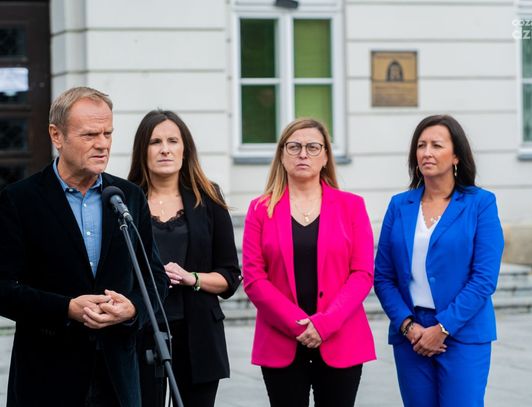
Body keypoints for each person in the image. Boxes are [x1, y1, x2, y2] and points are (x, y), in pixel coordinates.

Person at [0, 86, 168, 406]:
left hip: (118, 378)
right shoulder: (19, 200)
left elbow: (154, 279)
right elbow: (4, 288)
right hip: (47, 378)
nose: (102, 144)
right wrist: (66, 308)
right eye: (90, 134)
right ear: (57, 135)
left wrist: (133, 309)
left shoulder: (128, 197)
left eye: (108, 133)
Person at [242, 118, 376, 407]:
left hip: (341, 338)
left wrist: (325, 324)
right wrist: (299, 326)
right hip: (281, 341)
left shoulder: (352, 206)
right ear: (282, 155)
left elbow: (362, 273)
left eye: (313, 147)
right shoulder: (260, 209)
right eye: (294, 147)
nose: (303, 154)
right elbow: (253, 278)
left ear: (326, 156)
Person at [374, 114, 505, 407]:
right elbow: (383, 276)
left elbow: (484, 279)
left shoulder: (480, 203)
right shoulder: (400, 205)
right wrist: (408, 326)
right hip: (411, 334)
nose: (427, 152)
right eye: (421, 145)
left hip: (463, 331)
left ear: (456, 155)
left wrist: (443, 327)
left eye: (436, 145)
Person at [128, 110, 241, 407]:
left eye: (172, 141)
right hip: (142, 331)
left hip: (198, 334)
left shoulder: (209, 198)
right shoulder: (126, 200)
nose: (165, 149)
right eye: (155, 142)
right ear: (142, 150)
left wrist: (192, 278)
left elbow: (230, 276)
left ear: (184, 149)